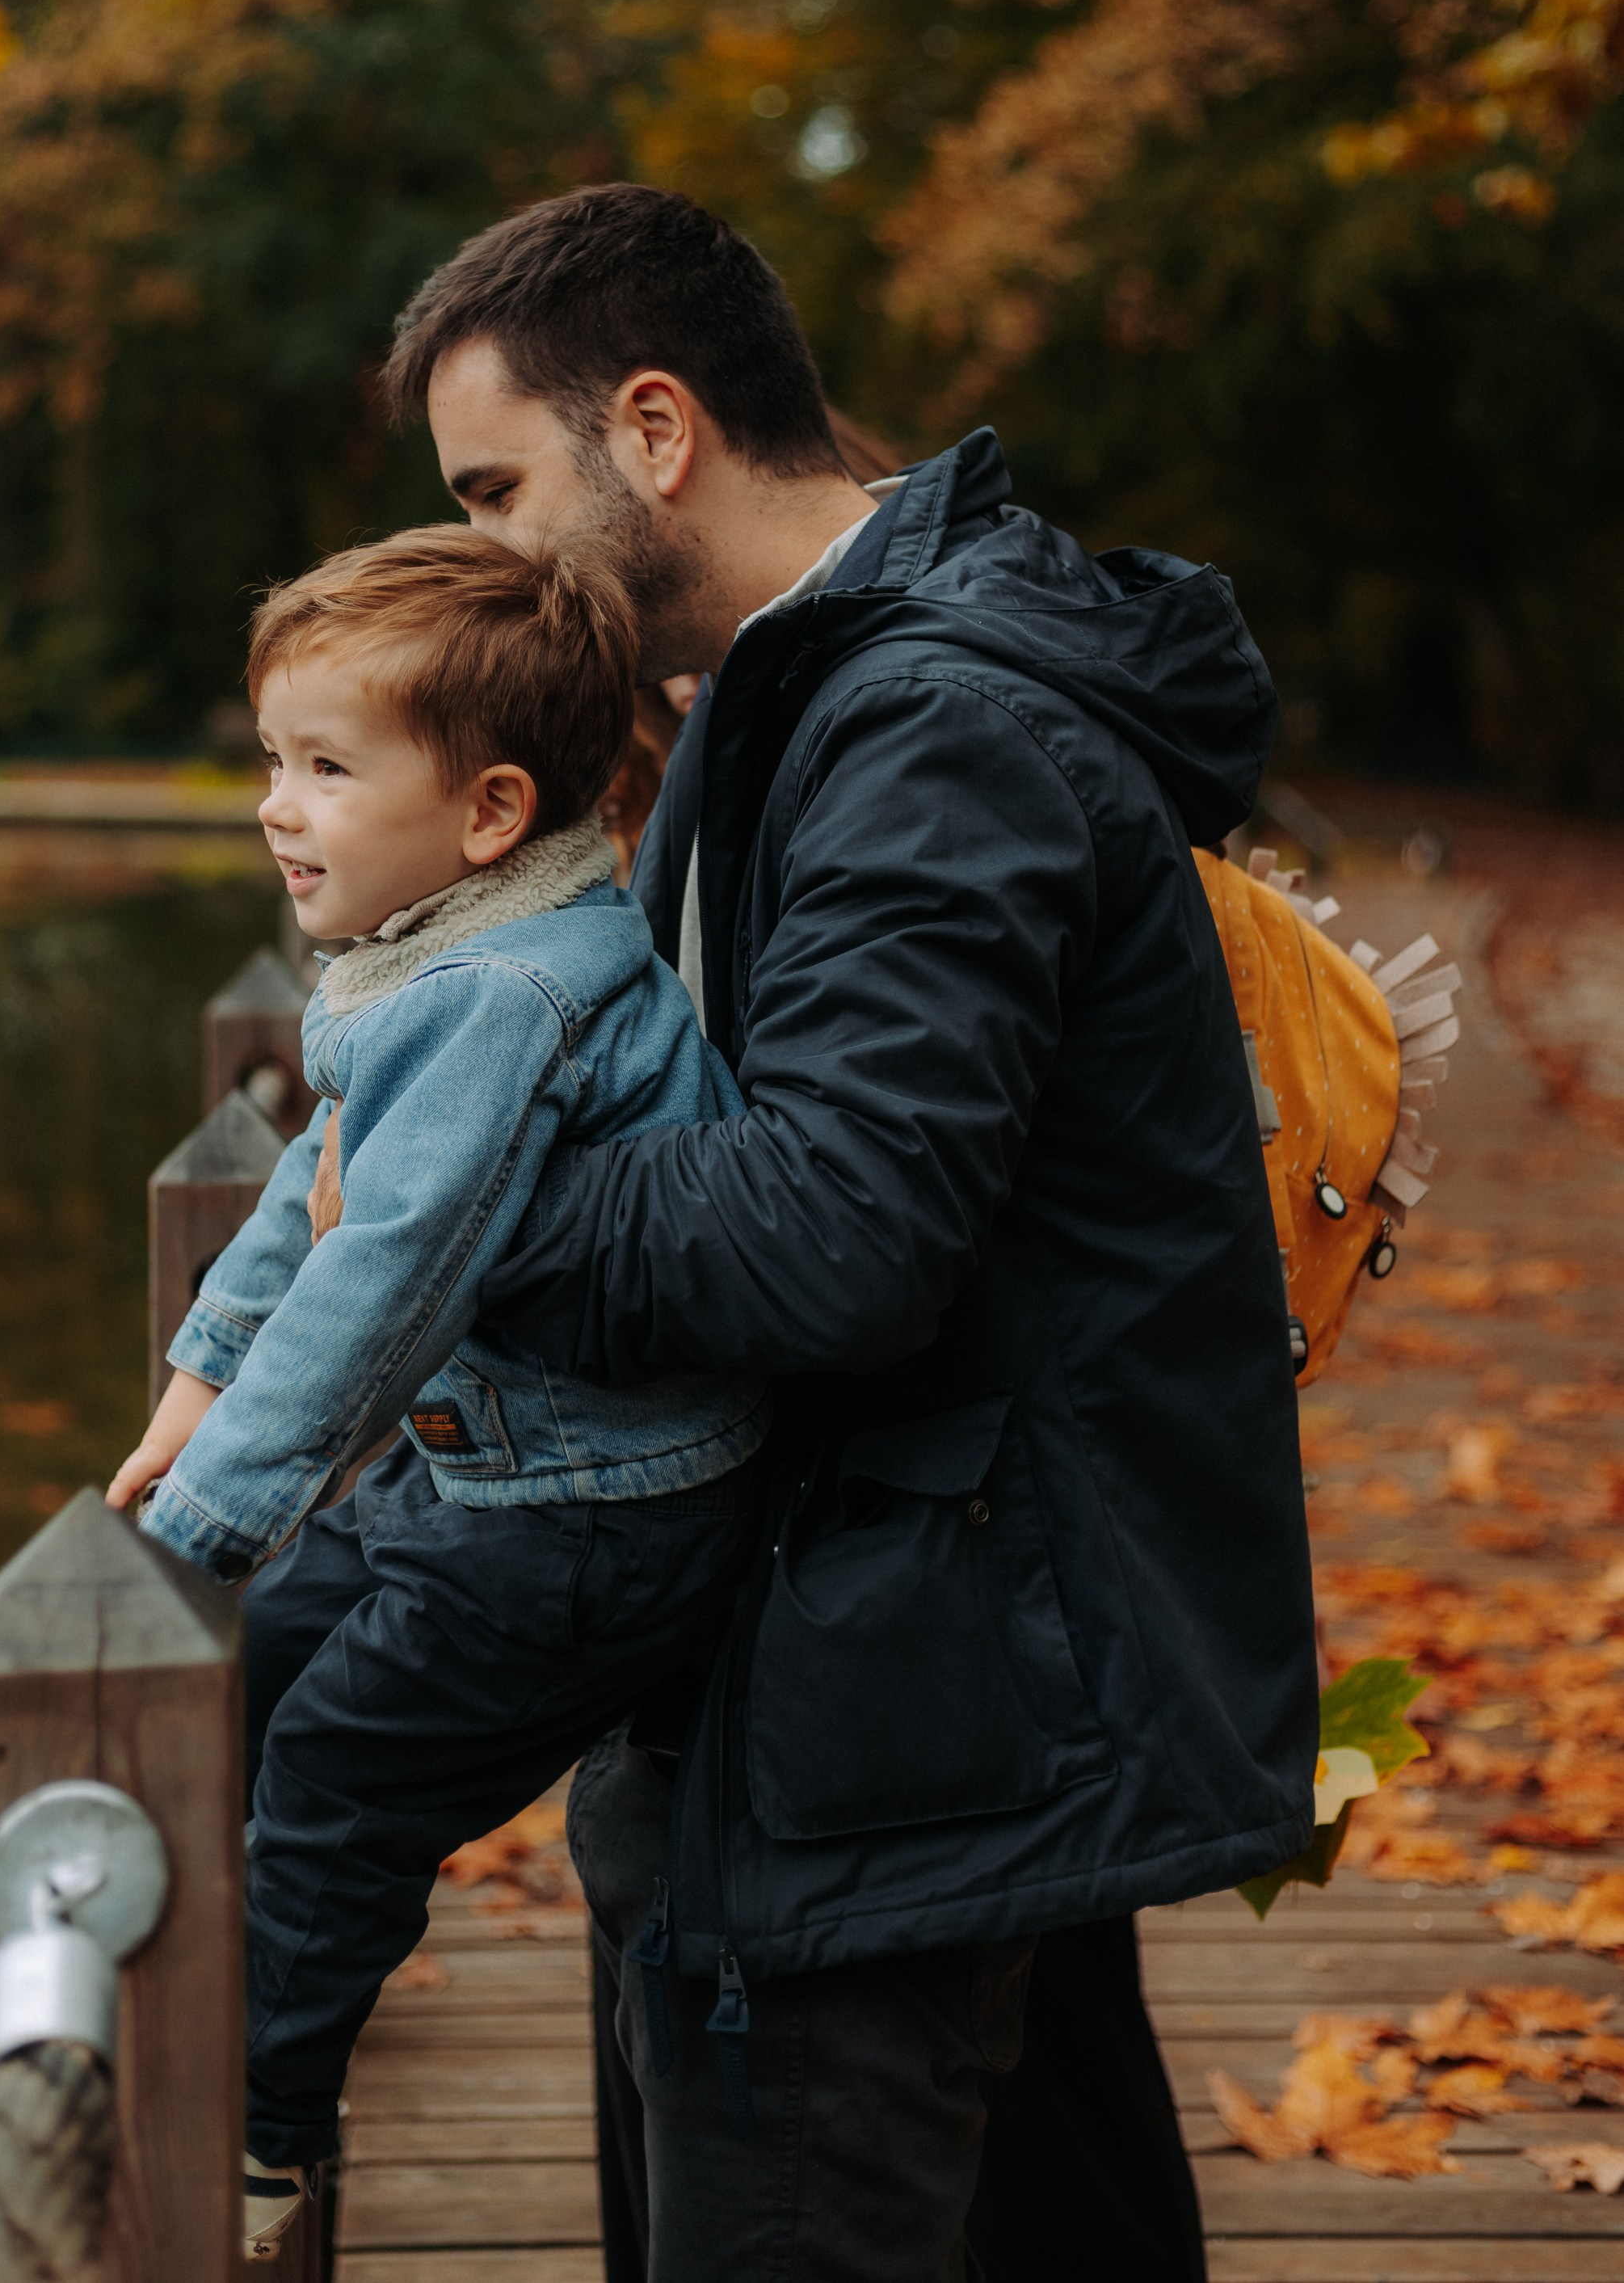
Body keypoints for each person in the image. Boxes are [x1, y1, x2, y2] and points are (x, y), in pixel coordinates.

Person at [379, 182, 1320, 2282]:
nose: (477, 558)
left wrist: (439, 1209)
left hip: (913, 1690)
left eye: (493, 486)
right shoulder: (793, 689)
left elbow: (830, 1230)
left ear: (652, 426)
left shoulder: (922, 723)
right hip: (933, 1645)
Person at [106, 526, 773, 2260]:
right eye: (274, 760)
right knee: (244, 1683)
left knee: (334, 1781)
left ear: (485, 811)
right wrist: (196, 1383)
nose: (277, 804)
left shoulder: (497, 992)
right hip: (494, 1476)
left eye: (326, 768)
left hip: (596, 1514)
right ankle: (126, 2003)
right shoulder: (439, 947)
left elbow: (382, 1273)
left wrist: (216, 1519)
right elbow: (309, 1175)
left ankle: (248, 2131)